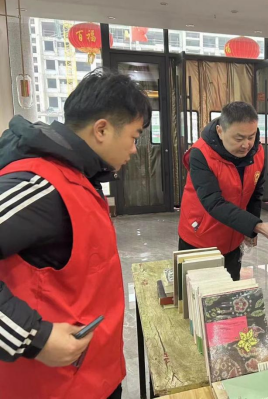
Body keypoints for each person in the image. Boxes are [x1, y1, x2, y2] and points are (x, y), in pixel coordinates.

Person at [0, 69, 152, 399]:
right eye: (134, 137)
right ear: (102, 129)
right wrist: (32, 336)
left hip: (90, 376)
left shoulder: (79, 178)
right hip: (51, 385)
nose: (134, 149)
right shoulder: (40, 184)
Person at [178, 102, 268, 281]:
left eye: (251, 136)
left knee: (229, 289)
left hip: (232, 237)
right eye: (239, 138)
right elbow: (213, 202)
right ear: (220, 131)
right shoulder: (201, 154)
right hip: (199, 239)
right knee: (198, 293)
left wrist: (249, 229)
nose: (246, 144)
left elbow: (255, 192)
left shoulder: (257, 152)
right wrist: (256, 225)